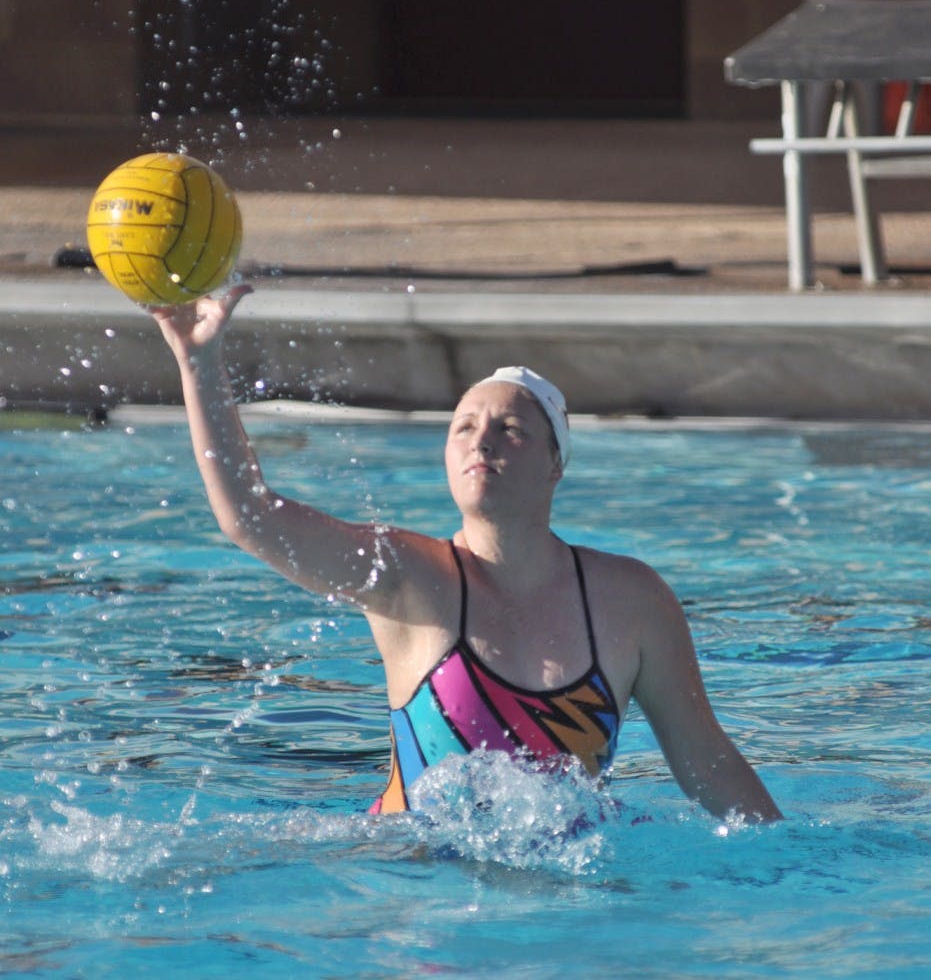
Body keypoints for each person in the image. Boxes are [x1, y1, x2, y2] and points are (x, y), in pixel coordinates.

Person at [150, 285, 782, 823]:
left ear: (556, 464)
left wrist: (796, 870)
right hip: (411, 878)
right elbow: (251, 518)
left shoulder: (631, 600)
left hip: (568, 903)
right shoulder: (408, 578)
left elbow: (709, 764)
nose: (483, 441)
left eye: (510, 429)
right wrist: (198, 365)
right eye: (464, 427)